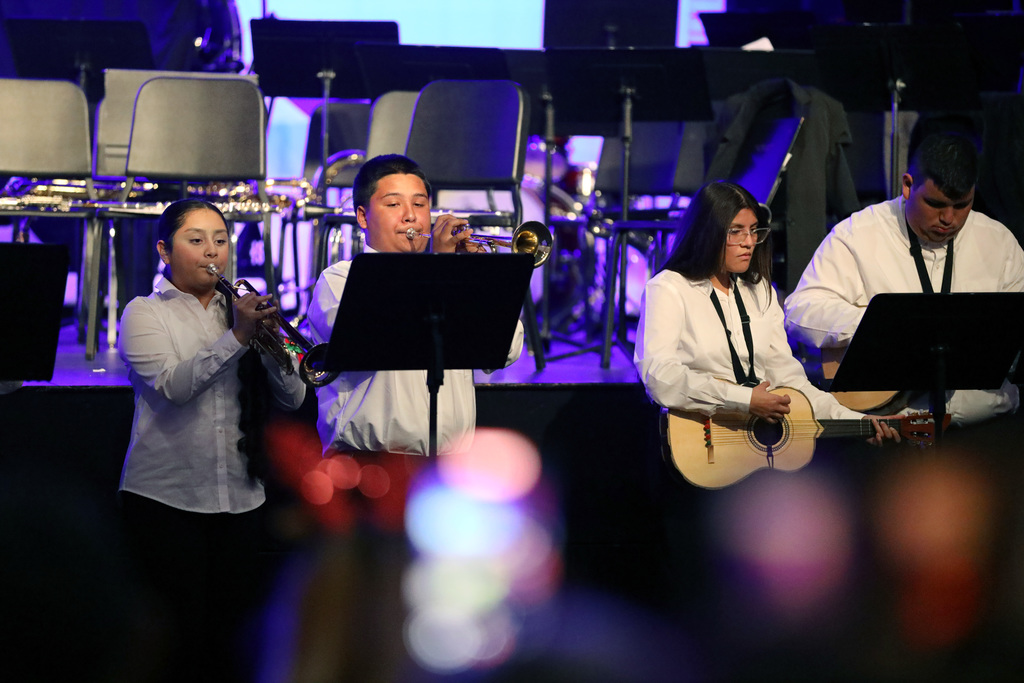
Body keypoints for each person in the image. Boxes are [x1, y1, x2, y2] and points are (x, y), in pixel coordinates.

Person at [117, 198, 308, 683]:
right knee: (177, 646)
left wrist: (274, 350)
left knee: (234, 646)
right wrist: (238, 337)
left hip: (241, 499)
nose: (212, 253)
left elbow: (294, 396)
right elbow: (174, 387)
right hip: (164, 498)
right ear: (165, 249)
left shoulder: (240, 310)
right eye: (196, 240)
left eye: (221, 241)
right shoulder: (143, 313)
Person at [784, 132, 1024, 427]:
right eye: (935, 204)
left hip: (988, 428)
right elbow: (799, 312)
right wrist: (880, 324)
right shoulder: (856, 235)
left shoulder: (1000, 242)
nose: (949, 219)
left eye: (962, 205)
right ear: (908, 185)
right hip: (898, 429)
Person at [634, 180, 896, 442]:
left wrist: (858, 420)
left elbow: (793, 385)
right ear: (707, 233)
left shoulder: (760, 290)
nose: (749, 242)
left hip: (759, 441)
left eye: (753, 230)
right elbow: (661, 377)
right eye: (736, 231)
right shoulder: (668, 288)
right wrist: (744, 400)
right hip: (701, 441)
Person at [307, 154, 525, 456]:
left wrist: (477, 275)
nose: (411, 216)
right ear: (362, 217)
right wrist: (442, 267)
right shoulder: (340, 279)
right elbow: (385, 336)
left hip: (452, 465)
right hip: (370, 463)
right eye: (394, 204)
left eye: (420, 204)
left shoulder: (456, 276)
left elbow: (509, 349)